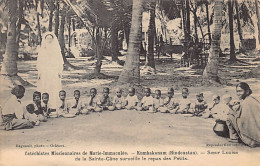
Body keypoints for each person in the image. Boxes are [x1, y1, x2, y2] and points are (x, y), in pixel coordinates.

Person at [226, 82, 260, 147]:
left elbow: (242, 120)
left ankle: (235, 138)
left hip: (252, 139)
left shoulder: (246, 102)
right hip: (258, 132)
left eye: (240, 91)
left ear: (247, 91)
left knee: (229, 116)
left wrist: (231, 109)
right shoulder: (251, 99)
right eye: (237, 91)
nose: (238, 93)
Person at [37, 32, 64, 108]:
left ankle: (54, 104)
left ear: (53, 39)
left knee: (54, 86)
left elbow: (60, 61)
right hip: (45, 71)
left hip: (54, 70)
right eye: (47, 38)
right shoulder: (42, 49)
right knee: (45, 86)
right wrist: (39, 72)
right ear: (45, 39)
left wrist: (59, 71)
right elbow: (39, 61)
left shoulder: (56, 49)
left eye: (50, 38)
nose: (49, 40)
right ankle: (45, 104)